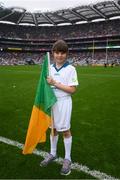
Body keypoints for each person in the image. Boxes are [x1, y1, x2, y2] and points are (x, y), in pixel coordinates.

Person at [40, 40, 79, 175]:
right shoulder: (49, 68)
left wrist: (55, 83)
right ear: (53, 53)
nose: (59, 55)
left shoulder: (71, 69)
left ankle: (67, 158)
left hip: (64, 102)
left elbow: (72, 89)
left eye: (62, 53)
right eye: (57, 52)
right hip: (52, 102)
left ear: (66, 54)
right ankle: (53, 153)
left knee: (65, 130)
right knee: (53, 129)